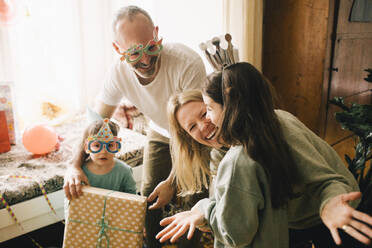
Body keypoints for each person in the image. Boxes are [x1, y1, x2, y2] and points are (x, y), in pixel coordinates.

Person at [156, 62, 372, 247]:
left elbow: (323, 178)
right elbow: (231, 212)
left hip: (331, 216)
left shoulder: (277, 127)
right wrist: (204, 211)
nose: (206, 124)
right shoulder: (221, 157)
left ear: (230, 104)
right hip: (289, 223)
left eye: (206, 111)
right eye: (192, 127)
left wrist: (330, 204)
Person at [63, 5, 207, 248]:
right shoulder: (117, 73)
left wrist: (173, 182)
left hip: (196, 133)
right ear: (117, 49)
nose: (146, 59)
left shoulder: (186, 62)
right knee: (149, 197)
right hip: (161, 130)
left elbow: (194, 133)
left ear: (157, 33)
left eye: (152, 47)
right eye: (134, 54)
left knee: (190, 197)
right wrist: (74, 165)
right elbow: (95, 124)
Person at [64, 118, 136, 218]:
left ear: (117, 146)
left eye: (110, 145)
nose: (103, 151)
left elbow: (132, 199)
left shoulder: (125, 171)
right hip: (86, 219)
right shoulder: (80, 173)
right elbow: (71, 200)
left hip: (114, 218)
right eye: (97, 145)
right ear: (86, 147)